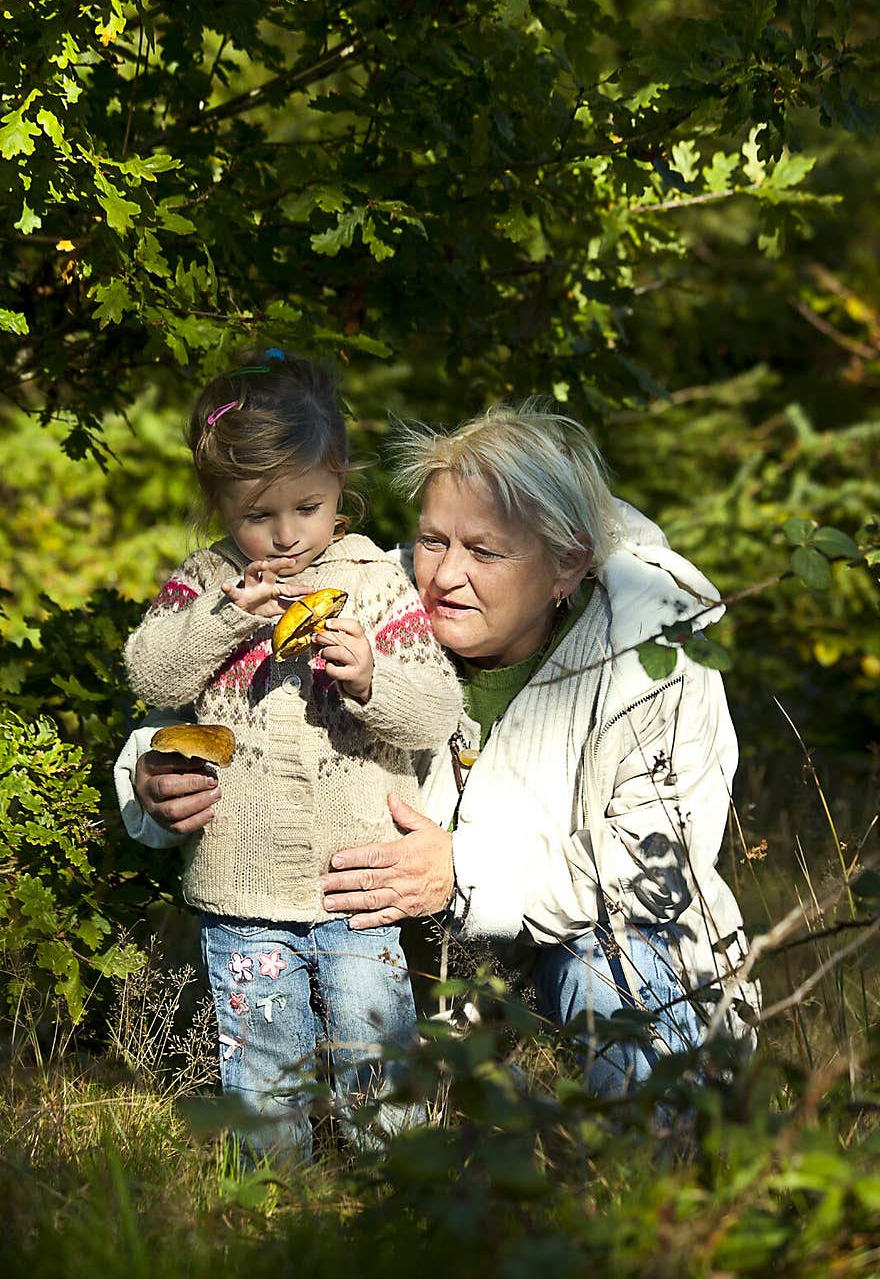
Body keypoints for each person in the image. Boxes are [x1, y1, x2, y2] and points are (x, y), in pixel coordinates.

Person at [119, 398, 759, 1106]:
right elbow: (196, 706)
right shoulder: (369, 593)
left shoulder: (650, 651)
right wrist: (151, 780)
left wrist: (463, 871)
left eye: (485, 552)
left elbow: (655, 862)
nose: (446, 575)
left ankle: (644, 1185)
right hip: (403, 963)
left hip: (590, 946)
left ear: (566, 564)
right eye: (432, 541)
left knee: (613, 970)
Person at [117, 348, 462, 1163]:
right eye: (256, 515)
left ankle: (396, 1190)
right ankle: (272, 1200)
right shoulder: (208, 583)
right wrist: (226, 618)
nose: (285, 535)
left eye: (308, 505)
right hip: (243, 891)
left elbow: (437, 708)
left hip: (359, 887)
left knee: (376, 1059)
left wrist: (372, 679)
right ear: (219, 507)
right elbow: (151, 670)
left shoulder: (372, 581)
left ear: (339, 481)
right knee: (263, 1066)